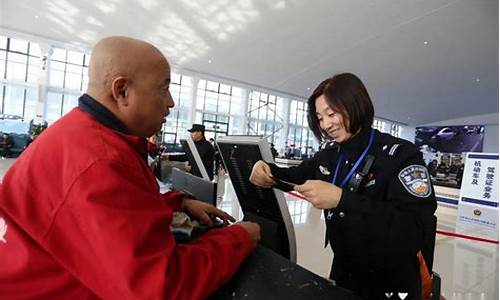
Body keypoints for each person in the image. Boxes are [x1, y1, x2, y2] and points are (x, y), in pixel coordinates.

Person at [0, 36, 260, 299]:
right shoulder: (99, 161)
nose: (170, 102)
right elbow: (159, 288)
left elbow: (108, 208)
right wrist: (239, 238)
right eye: (164, 88)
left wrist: (175, 202)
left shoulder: (82, 134)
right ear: (122, 91)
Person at [250, 73, 437, 299]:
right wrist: (266, 169)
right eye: (319, 118)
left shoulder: (400, 155)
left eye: (331, 113)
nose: (326, 124)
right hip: (344, 270)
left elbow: (415, 230)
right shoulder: (331, 153)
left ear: (355, 104)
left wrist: (342, 199)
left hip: (391, 280)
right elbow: (297, 175)